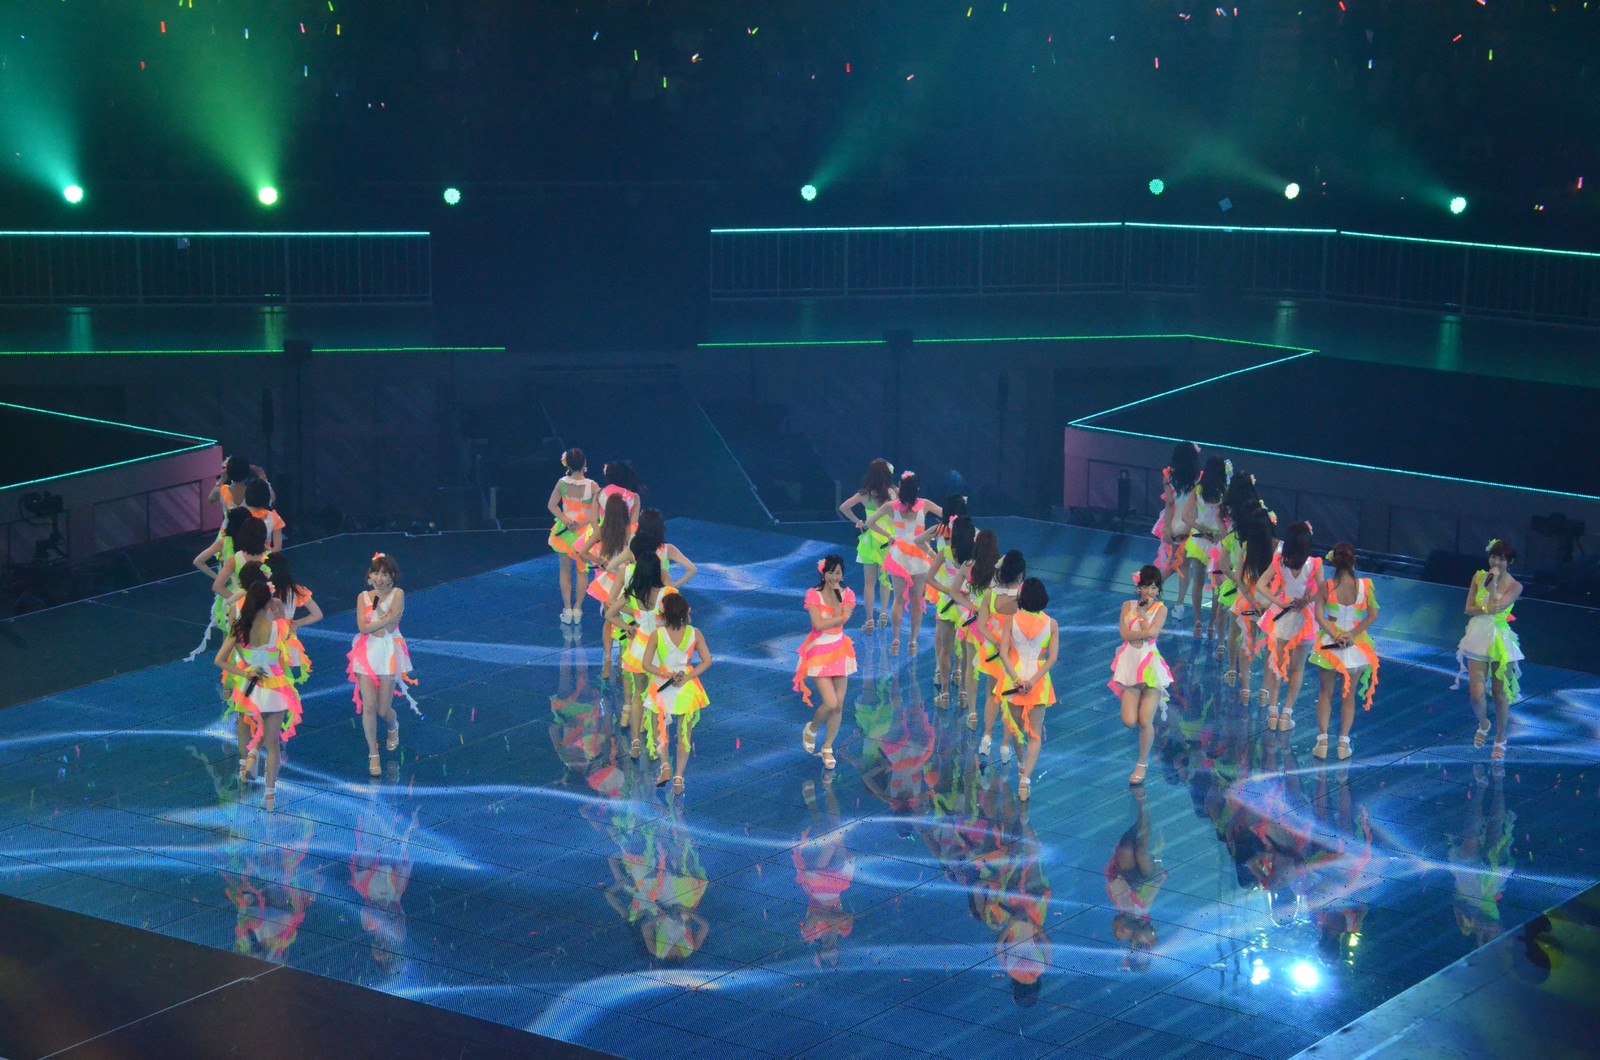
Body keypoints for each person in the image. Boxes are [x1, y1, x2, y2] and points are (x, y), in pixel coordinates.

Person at [215, 581, 303, 810]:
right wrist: (276, 605)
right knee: (273, 743)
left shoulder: (239, 629)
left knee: (255, 726)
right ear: (268, 602)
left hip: (251, 688)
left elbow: (220, 660)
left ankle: (251, 755)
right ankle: (269, 796)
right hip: (275, 687)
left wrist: (245, 672)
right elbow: (288, 632)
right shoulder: (279, 627)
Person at [1454, 539, 1524, 762]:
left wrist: (1492, 587)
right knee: (1476, 694)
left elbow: (1497, 606)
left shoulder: (1515, 586)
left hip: (1500, 640)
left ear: (1509, 562)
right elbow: (1468, 609)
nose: (1496, 562)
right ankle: (1484, 723)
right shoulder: (1478, 577)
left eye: (1501, 559)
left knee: (1498, 692)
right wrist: (1484, 606)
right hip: (1478, 636)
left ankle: (1501, 737)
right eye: (1493, 557)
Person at [347, 553, 415, 777]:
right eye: (376, 573)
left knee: (383, 709)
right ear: (370, 575)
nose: (379, 578)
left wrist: (379, 617)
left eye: (385, 574)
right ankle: (373, 754)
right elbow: (363, 628)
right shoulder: (363, 597)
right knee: (369, 706)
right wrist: (385, 618)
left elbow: (390, 627)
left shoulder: (398, 594)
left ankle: (393, 725)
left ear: (392, 576)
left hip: (387, 652)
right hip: (366, 653)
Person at [1311, 543, 1381, 760]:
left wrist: (1335, 635)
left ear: (1333, 563)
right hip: (1355, 645)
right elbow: (1373, 615)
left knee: (1325, 692)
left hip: (1330, 645)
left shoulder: (1325, 586)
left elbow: (1319, 616)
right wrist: (1351, 635)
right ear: (1353, 562)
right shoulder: (1365, 586)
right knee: (1348, 696)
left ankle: (1322, 741)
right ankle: (1343, 743)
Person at [865, 471, 943, 655]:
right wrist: (933, 534)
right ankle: (913, 641)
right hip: (920, 555)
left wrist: (889, 535)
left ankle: (895, 640)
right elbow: (947, 516)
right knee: (917, 600)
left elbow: (869, 522)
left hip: (899, 556)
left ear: (900, 488)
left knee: (898, 599)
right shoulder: (925, 504)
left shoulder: (891, 506)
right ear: (917, 489)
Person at [1256, 521, 1323, 733]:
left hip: (1281, 617)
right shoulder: (1314, 564)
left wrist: (1279, 602)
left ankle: (1273, 713)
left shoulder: (1279, 560)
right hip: (1304, 620)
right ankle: (1286, 714)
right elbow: (1323, 592)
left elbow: (1260, 585)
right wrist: (1307, 600)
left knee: (1277, 665)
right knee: (1297, 668)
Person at [996, 578, 1059, 802]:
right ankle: (1025, 780)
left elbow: (1003, 653)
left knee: (1017, 729)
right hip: (1038, 683)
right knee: (1035, 735)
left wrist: (1016, 679)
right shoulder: (1052, 624)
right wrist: (1032, 681)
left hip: (1013, 680)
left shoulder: (1011, 620)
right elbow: (1052, 658)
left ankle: (1021, 763)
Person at [604, 551, 674, 754]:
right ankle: (656, 744)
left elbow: (610, 613)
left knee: (638, 695)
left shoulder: (632, 593)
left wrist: (628, 628)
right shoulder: (668, 593)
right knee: (659, 697)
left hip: (638, 649)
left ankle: (635, 742)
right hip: (660, 651)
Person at [642, 593, 711, 794]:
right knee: (684, 736)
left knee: (659, 730)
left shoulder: (657, 635)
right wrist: (688, 677)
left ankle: (665, 766)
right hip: (686, 687)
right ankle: (679, 778)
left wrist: (665, 673)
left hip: (662, 685)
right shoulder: (695, 633)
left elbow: (646, 664)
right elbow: (707, 661)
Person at [1110, 565, 1173, 786]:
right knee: (1129, 721)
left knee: (1145, 720)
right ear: (1139, 588)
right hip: (1130, 664)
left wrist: (1144, 616)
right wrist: (1144, 632)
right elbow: (1124, 634)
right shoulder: (1127, 606)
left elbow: (1153, 634)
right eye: (1146, 586)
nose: (1150, 591)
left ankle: (1142, 763)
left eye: (1154, 588)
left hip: (1151, 666)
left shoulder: (1161, 609)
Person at [796, 556, 857, 772]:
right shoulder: (814, 594)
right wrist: (839, 618)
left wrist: (839, 609)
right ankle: (811, 729)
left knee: (839, 704)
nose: (834, 577)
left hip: (840, 651)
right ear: (823, 573)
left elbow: (843, 618)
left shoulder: (847, 594)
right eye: (830, 572)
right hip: (818, 653)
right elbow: (819, 625)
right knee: (830, 702)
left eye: (838, 573)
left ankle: (828, 747)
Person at [973, 549, 1025, 762]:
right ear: (1020, 573)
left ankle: (986, 736)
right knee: (1010, 699)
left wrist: (995, 642)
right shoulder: (1022, 597)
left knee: (992, 695)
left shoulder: (990, 594)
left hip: (992, 649)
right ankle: (1005, 745)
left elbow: (981, 626)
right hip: (1013, 652)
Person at [838, 458, 897, 633]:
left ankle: (870, 619)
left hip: (871, 539)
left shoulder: (864, 494)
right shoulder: (894, 492)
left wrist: (858, 521)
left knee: (869, 583)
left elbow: (844, 507)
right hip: (889, 538)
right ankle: (884, 613)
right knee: (885, 580)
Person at [924, 512, 976, 708]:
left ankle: (944, 694)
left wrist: (948, 591)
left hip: (947, 604)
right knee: (966, 653)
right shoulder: (975, 556)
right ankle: (963, 693)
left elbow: (929, 579)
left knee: (945, 650)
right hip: (967, 608)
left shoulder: (945, 552)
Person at [581, 493, 634, 681]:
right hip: (624, 578)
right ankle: (622, 660)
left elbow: (582, 552)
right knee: (624, 618)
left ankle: (608, 659)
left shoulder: (602, 531)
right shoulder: (629, 531)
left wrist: (601, 562)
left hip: (609, 580)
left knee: (609, 619)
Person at [1231, 505, 1278, 706]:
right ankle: (1264, 691)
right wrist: (1271, 602)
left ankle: (1246, 687)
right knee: (1270, 647)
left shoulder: (1247, 547)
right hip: (1272, 604)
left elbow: (1238, 578)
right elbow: (1282, 581)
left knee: (1247, 643)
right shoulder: (1278, 547)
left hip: (1250, 602)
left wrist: (1252, 601)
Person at [1179, 456, 1230, 637]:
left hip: (1199, 540)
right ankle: (1212, 625)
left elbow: (1185, 517)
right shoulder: (1225, 492)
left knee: (1198, 582)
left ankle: (1197, 623)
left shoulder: (1198, 489)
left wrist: (1201, 529)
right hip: (1218, 542)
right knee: (1217, 586)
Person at [547, 448, 599, 624]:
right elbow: (598, 512)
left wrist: (565, 519)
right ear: (584, 463)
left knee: (564, 570)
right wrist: (581, 523)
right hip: (584, 533)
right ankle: (578, 609)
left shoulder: (561, 483)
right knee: (581, 571)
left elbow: (552, 505)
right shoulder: (592, 486)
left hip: (565, 531)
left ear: (567, 464)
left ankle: (567, 608)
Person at [1212, 471, 1258, 665]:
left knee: (1224, 609)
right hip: (1249, 564)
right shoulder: (1258, 507)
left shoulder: (1226, 507)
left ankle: (1222, 647)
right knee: (1245, 621)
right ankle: (1240, 662)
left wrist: (1234, 578)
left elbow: (1223, 533)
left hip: (1231, 549)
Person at [1152, 443, 1202, 616]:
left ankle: (1155, 588)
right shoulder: (1199, 477)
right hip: (1191, 522)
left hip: (1175, 522)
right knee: (1182, 564)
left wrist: (1167, 527)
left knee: (1178, 562)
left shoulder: (1169, 475)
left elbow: (1169, 503)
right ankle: (1178, 603)